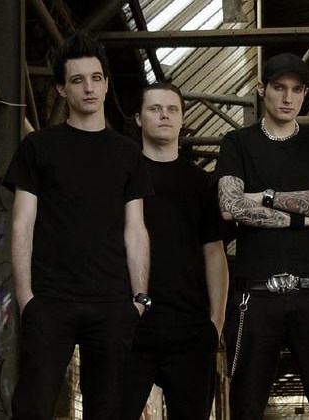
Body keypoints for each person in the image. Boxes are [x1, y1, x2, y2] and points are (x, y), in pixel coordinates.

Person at [4, 33, 152, 419]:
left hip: (113, 303)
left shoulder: (127, 152)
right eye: (77, 80)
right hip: (50, 299)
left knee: (107, 410)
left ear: (106, 83)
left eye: (96, 78)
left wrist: (139, 299)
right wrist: (26, 297)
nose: (89, 88)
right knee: (32, 409)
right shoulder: (38, 147)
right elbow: (22, 222)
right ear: (61, 88)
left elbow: (135, 229)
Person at [215, 52, 309, 420]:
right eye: (279, 87)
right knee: (245, 408)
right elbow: (229, 206)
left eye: (296, 89)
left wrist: (265, 196)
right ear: (262, 89)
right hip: (254, 295)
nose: (288, 97)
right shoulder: (237, 142)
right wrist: (298, 219)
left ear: (306, 93)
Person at [120, 83, 229, 419]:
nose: (164, 116)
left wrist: (216, 323)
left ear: (182, 119)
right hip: (130, 323)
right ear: (139, 118)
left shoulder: (202, 183)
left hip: (189, 325)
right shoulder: (121, 178)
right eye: (154, 109)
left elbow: (215, 253)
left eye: (172, 109)